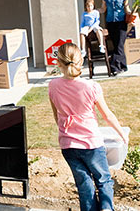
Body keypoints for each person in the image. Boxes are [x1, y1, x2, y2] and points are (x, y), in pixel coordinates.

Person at [48, 42, 128, 211]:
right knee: (103, 181)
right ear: (80, 60)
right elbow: (107, 115)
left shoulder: (53, 86)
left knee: (85, 187)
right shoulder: (91, 87)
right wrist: (122, 134)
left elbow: (57, 116)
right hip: (91, 144)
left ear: (58, 63)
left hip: (68, 145)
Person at [99, 0, 132, 76]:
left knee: (119, 45)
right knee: (117, 45)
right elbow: (103, 9)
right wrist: (92, 12)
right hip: (110, 23)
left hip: (121, 23)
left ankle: (114, 67)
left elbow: (127, 9)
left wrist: (132, 14)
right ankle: (123, 66)